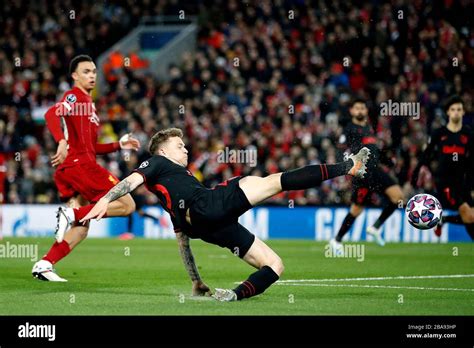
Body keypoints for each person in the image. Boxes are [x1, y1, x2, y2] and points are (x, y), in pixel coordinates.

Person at [80, 128, 371, 301]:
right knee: (273, 181)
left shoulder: (172, 197)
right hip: (210, 205)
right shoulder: (156, 161)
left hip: (210, 226)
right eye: (180, 146)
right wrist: (105, 200)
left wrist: (195, 280)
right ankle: (347, 168)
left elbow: (183, 243)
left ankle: (235, 294)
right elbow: (130, 182)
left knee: (275, 264)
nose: (186, 149)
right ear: (164, 151)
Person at [31, 55, 141, 281]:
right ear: (74, 76)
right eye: (85, 72)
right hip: (81, 166)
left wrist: (118, 145)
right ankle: (70, 213)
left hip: (75, 167)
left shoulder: (89, 106)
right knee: (127, 203)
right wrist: (61, 141)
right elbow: (52, 113)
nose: (91, 75)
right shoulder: (74, 96)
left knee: (81, 228)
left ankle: (44, 264)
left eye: (93, 72)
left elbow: (91, 147)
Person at [331, 98, 405, 253]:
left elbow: (374, 150)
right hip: (362, 173)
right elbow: (341, 150)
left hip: (376, 170)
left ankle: (375, 227)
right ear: (351, 111)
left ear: (366, 111)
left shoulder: (369, 128)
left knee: (398, 197)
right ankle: (336, 240)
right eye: (356, 108)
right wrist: (346, 168)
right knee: (357, 209)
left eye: (362, 108)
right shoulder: (349, 129)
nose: (360, 111)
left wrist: (387, 161)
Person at [411, 95, 474, 240]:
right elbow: (426, 155)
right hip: (445, 181)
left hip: (463, 181)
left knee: (471, 217)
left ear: (464, 112)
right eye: (453, 109)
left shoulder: (468, 134)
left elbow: (471, 162)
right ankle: (443, 220)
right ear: (448, 112)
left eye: (459, 109)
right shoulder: (439, 133)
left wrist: (471, 185)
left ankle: (443, 220)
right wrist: (416, 172)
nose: (456, 112)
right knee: (467, 214)